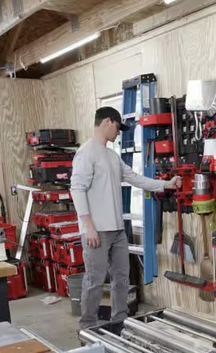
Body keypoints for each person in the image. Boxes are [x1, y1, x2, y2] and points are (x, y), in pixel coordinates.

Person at [70, 107, 181, 329]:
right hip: (97, 231)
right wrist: (88, 226)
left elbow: (134, 178)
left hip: (117, 230)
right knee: (94, 281)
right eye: (118, 128)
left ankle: (119, 322)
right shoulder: (86, 153)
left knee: (121, 279)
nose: (119, 133)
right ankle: (87, 327)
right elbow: (77, 189)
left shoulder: (112, 156)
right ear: (107, 122)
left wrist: (165, 185)